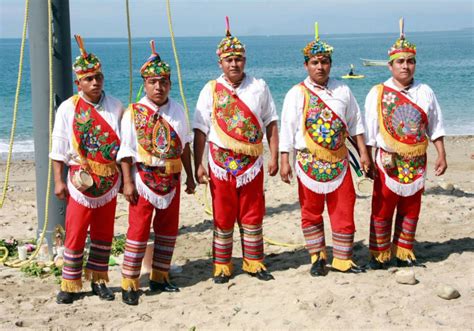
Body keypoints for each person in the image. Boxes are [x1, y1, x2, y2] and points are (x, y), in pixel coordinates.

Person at [279, 23, 371, 276]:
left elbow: (355, 123)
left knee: (344, 208)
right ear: (306, 65)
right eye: (314, 62)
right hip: (308, 163)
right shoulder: (296, 94)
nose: (320, 67)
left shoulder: (343, 90)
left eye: (325, 61)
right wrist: (284, 160)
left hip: (340, 162)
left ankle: (343, 259)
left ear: (331, 64)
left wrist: (363, 153)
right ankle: (317, 256)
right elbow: (287, 128)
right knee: (311, 210)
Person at [193, 17, 279, 284]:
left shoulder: (259, 87)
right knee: (223, 213)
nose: (234, 63)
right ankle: (222, 265)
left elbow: (270, 121)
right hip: (220, 163)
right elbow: (200, 129)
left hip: (252, 163)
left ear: (245, 60)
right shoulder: (210, 90)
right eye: (229, 59)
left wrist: (274, 155)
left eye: (238, 58)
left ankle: (254, 262)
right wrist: (199, 163)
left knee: (253, 212)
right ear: (220, 62)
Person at [364, 19, 447, 269]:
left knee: (411, 208)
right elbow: (369, 131)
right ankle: (379, 255)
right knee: (382, 207)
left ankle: (404, 252)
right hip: (388, 161)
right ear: (390, 66)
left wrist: (441, 154)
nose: (405, 66)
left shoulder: (426, 91)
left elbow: (436, 125)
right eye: (400, 61)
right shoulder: (377, 93)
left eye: (410, 61)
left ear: (415, 64)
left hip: (417, 161)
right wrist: (366, 159)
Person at [118, 41, 195, 305]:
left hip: (171, 179)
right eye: (152, 82)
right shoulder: (134, 113)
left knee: (168, 229)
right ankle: (130, 281)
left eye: (163, 82)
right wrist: (127, 182)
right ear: (145, 84)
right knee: (138, 230)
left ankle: (160, 276)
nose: (158, 87)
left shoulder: (177, 110)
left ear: (169, 84)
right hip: (143, 180)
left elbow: (184, 145)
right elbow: (126, 152)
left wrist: (191, 177)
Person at [50, 35, 124, 304]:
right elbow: (58, 149)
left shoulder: (116, 106)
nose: (95, 83)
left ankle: (100, 280)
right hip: (81, 182)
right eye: (89, 79)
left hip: (109, 182)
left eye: (98, 78)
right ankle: (70, 284)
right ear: (78, 82)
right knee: (76, 231)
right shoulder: (68, 109)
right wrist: (58, 182)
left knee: (104, 233)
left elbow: (124, 147)